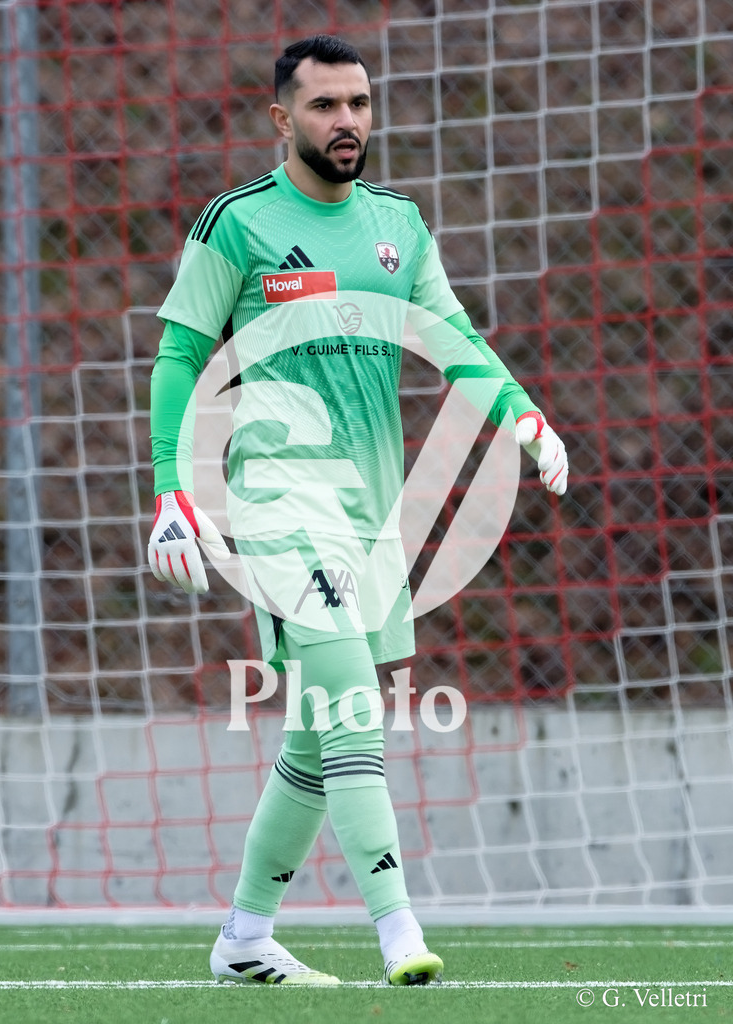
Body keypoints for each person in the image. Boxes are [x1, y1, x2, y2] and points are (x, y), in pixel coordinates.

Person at [148, 34, 568, 987]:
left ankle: (245, 940)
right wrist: (171, 486)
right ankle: (399, 934)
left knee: (314, 736)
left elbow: (452, 336)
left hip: (372, 517)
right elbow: (179, 358)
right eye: (327, 105)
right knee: (351, 718)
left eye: (360, 104)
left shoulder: (399, 227)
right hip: (273, 502)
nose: (347, 122)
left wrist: (523, 414)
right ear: (281, 118)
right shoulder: (237, 225)